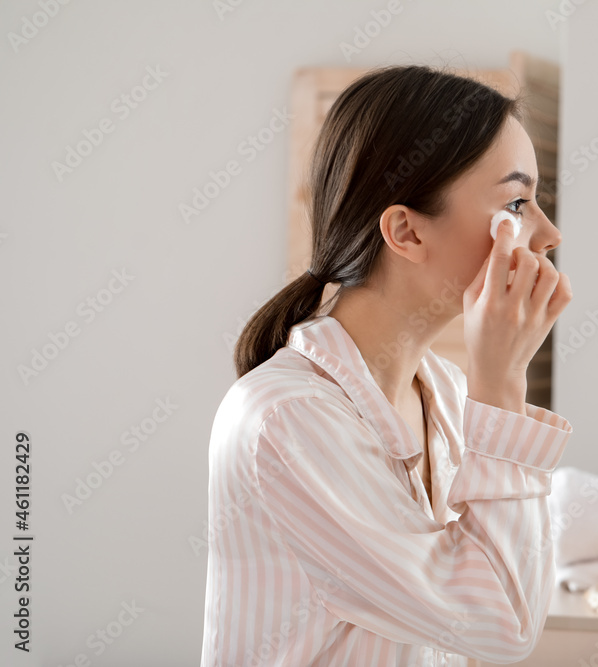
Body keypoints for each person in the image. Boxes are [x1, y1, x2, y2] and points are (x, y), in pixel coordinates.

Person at [200, 64, 574, 666]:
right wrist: (503, 381)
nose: (548, 234)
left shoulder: (447, 395)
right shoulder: (287, 418)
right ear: (405, 230)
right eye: (517, 202)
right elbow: (502, 625)